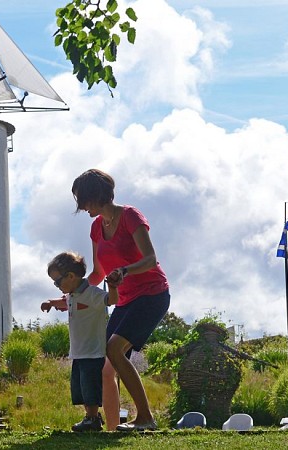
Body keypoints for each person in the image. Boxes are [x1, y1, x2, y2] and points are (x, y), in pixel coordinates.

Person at [71, 168, 171, 431]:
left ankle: (146, 418)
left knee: (114, 349)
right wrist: (72, 293)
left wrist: (125, 271)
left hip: (152, 294)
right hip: (125, 300)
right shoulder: (96, 227)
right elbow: (97, 273)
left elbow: (150, 259)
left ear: (96, 195)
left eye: (84, 201)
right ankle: (112, 429)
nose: (82, 208)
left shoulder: (130, 216)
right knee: (105, 364)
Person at [41, 251, 119, 432]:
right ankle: (90, 417)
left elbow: (111, 300)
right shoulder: (73, 295)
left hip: (92, 351)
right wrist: (50, 303)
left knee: (90, 385)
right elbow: (64, 302)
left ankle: (92, 418)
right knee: (81, 387)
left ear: (71, 276)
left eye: (57, 281)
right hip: (78, 351)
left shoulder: (91, 293)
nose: (56, 285)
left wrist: (113, 287)